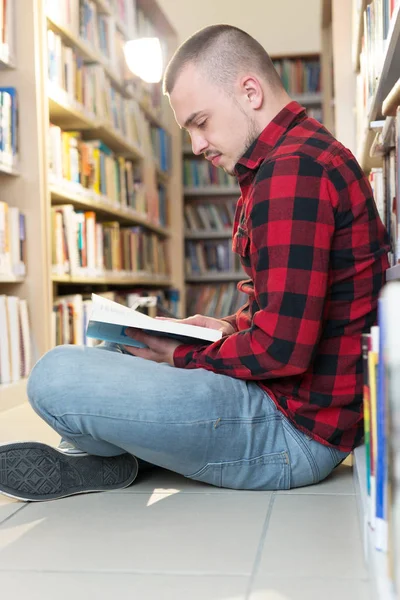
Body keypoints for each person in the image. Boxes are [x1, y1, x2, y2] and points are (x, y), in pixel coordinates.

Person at [0, 25, 390, 502]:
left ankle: (113, 455)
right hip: (287, 407)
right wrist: (224, 329)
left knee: (54, 376)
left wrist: (183, 354)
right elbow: (293, 309)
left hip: (291, 434)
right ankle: (120, 453)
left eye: (201, 121)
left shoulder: (293, 171)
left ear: (250, 91)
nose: (197, 145)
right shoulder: (287, 161)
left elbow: (284, 353)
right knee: (121, 346)